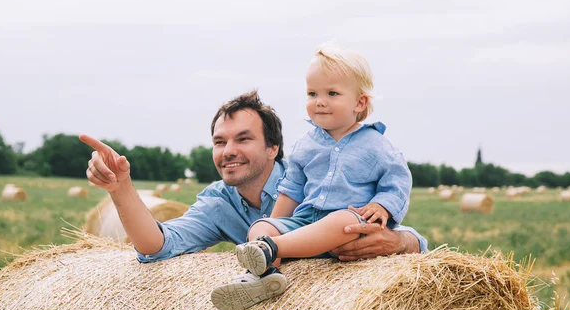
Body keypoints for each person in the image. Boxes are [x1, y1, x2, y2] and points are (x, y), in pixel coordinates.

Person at [81, 91, 426, 279]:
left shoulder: (312, 178)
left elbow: (408, 234)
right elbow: (156, 246)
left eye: (243, 139)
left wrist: (400, 240)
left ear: (273, 148)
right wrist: (121, 187)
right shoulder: (218, 203)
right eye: (220, 142)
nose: (228, 151)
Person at [211, 45, 416, 310]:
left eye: (332, 93)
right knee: (259, 228)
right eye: (312, 93)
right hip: (306, 224)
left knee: (342, 219)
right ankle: (261, 275)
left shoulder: (378, 146)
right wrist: (272, 223)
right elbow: (291, 190)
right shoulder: (305, 146)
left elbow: (397, 181)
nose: (320, 101)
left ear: (359, 103)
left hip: (349, 227)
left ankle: (270, 250)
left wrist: (384, 206)